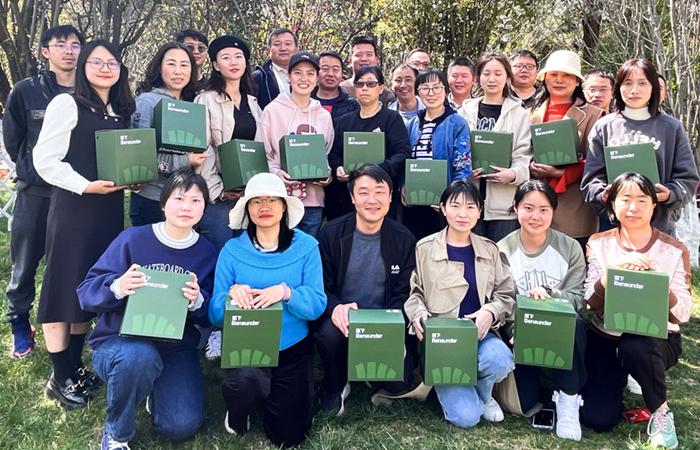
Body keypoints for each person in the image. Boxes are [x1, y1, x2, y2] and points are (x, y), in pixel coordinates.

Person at [77, 169, 216, 450]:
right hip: (120, 341)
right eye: (179, 199)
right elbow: (85, 293)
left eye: (195, 201)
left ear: (204, 208)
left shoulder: (207, 252)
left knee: (180, 425)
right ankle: (117, 434)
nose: (186, 207)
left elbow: (209, 314)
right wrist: (118, 286)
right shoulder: (132, 239)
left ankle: (152, 387)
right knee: (139, 357)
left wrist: (198, 301)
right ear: (163, 204)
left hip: (174, 346)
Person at [32, 39, 135, 408]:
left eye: (112, 62)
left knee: (88, 287)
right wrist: (85, 185)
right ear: (83, 67)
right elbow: (45, 160)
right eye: (96, 62)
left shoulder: (119, 112)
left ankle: (75, 366)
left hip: (107, 211)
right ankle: (59, 376)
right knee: (63, 289)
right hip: (75, 209)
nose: (105, 68)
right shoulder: (67, 104)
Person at [208, 172, 327, 448]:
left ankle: (276, 395)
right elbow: (214, 313)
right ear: (247, 209)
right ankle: (238, 414)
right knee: (245, 382)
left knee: (289, 436)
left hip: (292, 347)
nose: (265, 207)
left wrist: (287, 293)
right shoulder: (231, 250)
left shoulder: (306, 247)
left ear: (284, 207)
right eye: (257, 201)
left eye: (272, 200)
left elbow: (317, 304)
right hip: (246, 345)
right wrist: (231, 295)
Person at [580, 173, 692, 450]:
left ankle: (661, 412)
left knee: (635, 345)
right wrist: (612, 273)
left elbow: (683, 313)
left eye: (642, 200)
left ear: (654, 205)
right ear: (612, 205)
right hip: (606, 336)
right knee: (597, 418)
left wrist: (658, 283)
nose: (633, 207)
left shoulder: (673, 250)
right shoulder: (598, 243)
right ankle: (626, 375)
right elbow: (590, 301)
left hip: (657, 340)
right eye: (625, 199)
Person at [404, 180, 515, 428]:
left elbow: (506, 294)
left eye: (470, 207)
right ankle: (458, 387)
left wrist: (490, 311)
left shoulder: (489, 249)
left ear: (480, 211)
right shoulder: (425, 248)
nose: (462, 214)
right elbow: (414, 292)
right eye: (455, 206)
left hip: (480, 336)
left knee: (500, 359)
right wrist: (418, 312)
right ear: (443, 208)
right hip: (443, 344)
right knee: (466, 418)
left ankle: (484, 392)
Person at [3, 25, 84, 359]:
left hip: (75, 195)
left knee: (66, 264)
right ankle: (19, 322)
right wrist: (32, 169)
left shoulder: (89, 90)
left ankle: (65, 323)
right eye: (61, 44)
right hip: (35, 193)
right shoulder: (26, 91)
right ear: (45, 51)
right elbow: (13, 139)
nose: (69, 50)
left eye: (75, 45)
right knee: (24, 265)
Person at [316, 164, 422, 415]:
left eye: (379, 192)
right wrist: (336, 307)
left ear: (391, 197)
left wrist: (391, 328)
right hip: (345, 317)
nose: (372, 200)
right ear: (352, 197)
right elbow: (321, 286)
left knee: (396, 382)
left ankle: (368, 370)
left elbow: (403, 292)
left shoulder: (404, 238)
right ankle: (336, 384)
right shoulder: (330, 234)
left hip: (383, 319)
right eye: (363, 192)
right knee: (328, 333)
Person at [496, 180, 588, 441]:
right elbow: (502, 299)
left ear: (553, 212)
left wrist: (551, 295)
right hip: (521, 333)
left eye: (544, 209)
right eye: (528, 208)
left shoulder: (570, 248)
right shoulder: (502, 250)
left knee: (575, 324)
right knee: (524, 403)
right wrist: (517, 328)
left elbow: (578, 300)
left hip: (562, 330)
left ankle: (569, 397)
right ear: (516, 208)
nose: (535, 216)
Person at [581, 58, 698, 237]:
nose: (634, 90)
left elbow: (688, 178)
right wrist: (602, 194)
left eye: (642, 83)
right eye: (628, 83)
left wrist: (670, 194)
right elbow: (591, 181)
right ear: (618, 88)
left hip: (660, 226)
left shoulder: (671, 127)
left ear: (653, 88)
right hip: (614, 227)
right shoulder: (604, 127)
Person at [193, 35, 263, 251]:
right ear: (216, 65)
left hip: (249, 193)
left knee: (247, 253)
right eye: (226, 57)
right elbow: (202, 149)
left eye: (238, 57)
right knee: (220, 253)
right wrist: (218, 190)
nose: (234, 62)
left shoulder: (253, 102)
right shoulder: (206, 99)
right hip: (219, 195)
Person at [528, 50, 603, 248]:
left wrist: (561, 173)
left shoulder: (594, 115)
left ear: (577, 81)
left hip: (573, 205)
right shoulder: (529, 113)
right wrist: (529, 165)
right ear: (545, 78)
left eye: (567, 75)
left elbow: (597, 161)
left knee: (572, 259)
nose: (559, 80)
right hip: (535, 202)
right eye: (553, 74)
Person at [256, 52, 334, 238]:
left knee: (306, 249)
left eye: (310, 73)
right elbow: (261, 153)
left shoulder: (323, 116)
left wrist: (327, 175)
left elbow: (326, 154)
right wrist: (276, 172)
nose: (304, 78)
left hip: (313, 202)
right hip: (279, 199)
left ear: (317, 78)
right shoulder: (272, 110)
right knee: (279, 247)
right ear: (289, 77)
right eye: (298, 73)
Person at [458, 52, 531, 242]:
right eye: (486, 73)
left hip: (503, 205)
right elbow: (456, 153)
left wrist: (513, 174)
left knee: (501, 256)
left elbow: (523, 155)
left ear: (507, 77)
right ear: (478, 77)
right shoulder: (464, 112)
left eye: (498, 74)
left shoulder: (519, 114)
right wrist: (465, 172)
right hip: (468, 201)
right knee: (471, 256)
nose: (492, 79)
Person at [129, 41, 204, 226]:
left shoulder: (193, 104)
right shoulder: (146, 102)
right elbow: (138, 158)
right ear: (159, 68)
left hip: (185, 198)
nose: (178, 71)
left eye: (184, 65)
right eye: (171, 64)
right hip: (152, 200)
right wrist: (186, 161)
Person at [327, 66, 411, 219]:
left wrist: (378, 170)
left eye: (370, 84)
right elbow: (334, 155)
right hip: (349, 199)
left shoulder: (392, 119)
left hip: (381, 195)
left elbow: (403, 153)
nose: (364, 88)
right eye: (360, 84)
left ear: (381, 88)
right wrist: (338, 167)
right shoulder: (344, 122)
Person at [405, 69, 471, 239]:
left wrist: (451, 199)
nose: (431, 93)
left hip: (443, 204)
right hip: (414, 201)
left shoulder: (457, 123)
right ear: (418, 92)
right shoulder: (412, 124)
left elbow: (463, 166)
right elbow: (404, 159)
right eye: (425, 88)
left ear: (445, 90)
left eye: (436, 87)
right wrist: (402, 186)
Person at [339, 36, 395, 104]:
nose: (364, 59)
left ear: (377, 60)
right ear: (350, 60)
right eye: (358, 55)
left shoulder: (386, 94)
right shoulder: (340, 90)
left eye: (369, 54)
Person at [253, 28, 298, 109]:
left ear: (296, 49)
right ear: (268, 50)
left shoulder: (308, 76)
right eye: (277, 44)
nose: (283, 48)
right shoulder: (258, 78)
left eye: (288, 44)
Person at [311, 51, 359, 121]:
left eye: (335, 69)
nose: (330, 74)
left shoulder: (352, 105)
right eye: (325, 69)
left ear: (342, 73)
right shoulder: (306, 101)